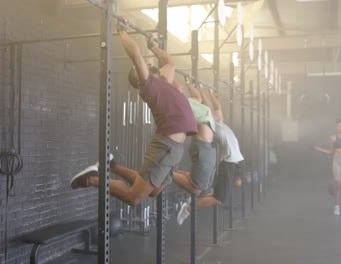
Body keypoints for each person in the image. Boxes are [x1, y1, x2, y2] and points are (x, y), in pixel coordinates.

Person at [70, 19, 197, 206]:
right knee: (133, 197)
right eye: (142, 67)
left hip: (175, 149)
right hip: (166, 146)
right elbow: (135, 53)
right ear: (139, 79)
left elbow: (170, 62)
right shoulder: (148, 87)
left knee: (154, 192)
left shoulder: (163, 81)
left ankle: (112, 167)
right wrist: (122, 30)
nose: (146, 64)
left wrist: (153, 46)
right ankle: (90, 179)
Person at [177, 88, 244, 225]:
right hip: (229, 163)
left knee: (218, 195)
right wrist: (202, 91)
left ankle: (192, 202)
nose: (218, 113)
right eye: (215, 113)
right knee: (219, 198)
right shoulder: (212, 123)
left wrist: (211, 93)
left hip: (236, 162)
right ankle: (188, 209)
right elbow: (207, 106)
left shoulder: (220, 123)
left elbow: (217, 106)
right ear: (212, 116)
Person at [171, 79, 217, 218]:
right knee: (197, 188)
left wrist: (188, 83)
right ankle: (166, 172)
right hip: (202, 146)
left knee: (204, 185)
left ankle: (169, 171)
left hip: (207, 147)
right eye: (178, 87)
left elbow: (198, 97)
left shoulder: (189, 101)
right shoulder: (180, 103)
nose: (181, 89)